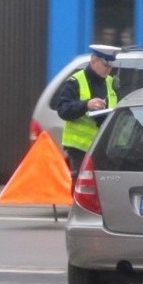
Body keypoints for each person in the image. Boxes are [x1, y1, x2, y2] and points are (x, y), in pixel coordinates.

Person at [56, 44, 121, 183]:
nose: (109, 69)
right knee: (82, 186)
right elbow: (63, 109)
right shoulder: (75, 81)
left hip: (103, 147)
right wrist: (86, 105)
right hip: (80, 148)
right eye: (105, 64)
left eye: (111, 66)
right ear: (93, 60)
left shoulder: (110, 82)